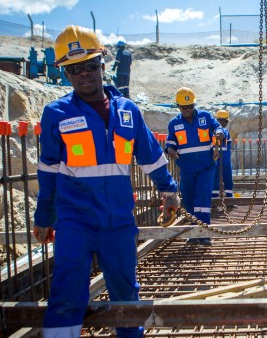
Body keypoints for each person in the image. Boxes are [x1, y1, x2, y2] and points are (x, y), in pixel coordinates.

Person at [33, 26, 179, 338]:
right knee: (66, 294)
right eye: (74, 69)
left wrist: (168, 190)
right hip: (75, 221)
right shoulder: (56, 114)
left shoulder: (128, 111)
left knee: (126, 295)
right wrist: (44, 217)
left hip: (118, 221)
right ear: (65, 74)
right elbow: (48, 171)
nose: (83, 74)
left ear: (103, 64)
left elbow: (150, 155)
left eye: (89, 65)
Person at [166, 87, 225, 246]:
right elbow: (170, 143)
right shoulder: (174, 123)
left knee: (203, 200)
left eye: (190, 106)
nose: (187, 110)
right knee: (190, 200)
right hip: (187, 169)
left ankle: (204, 233)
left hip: (206, 167)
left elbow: (218, 127)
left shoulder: (205, 117)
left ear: (194, 104)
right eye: (184, 107)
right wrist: (171, 151)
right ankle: (193, 232)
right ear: (178, 106)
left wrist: (219, 133)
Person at [212, 109, 235, 199]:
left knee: (219, 176)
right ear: (219, 120)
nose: (226, 123)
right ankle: (225, 196)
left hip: (220, 158)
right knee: (222, 176)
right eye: (225, 121)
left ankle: (218, 196)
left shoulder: (221, 131)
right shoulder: (221, 131)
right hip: (221, 158)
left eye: (226, 121)